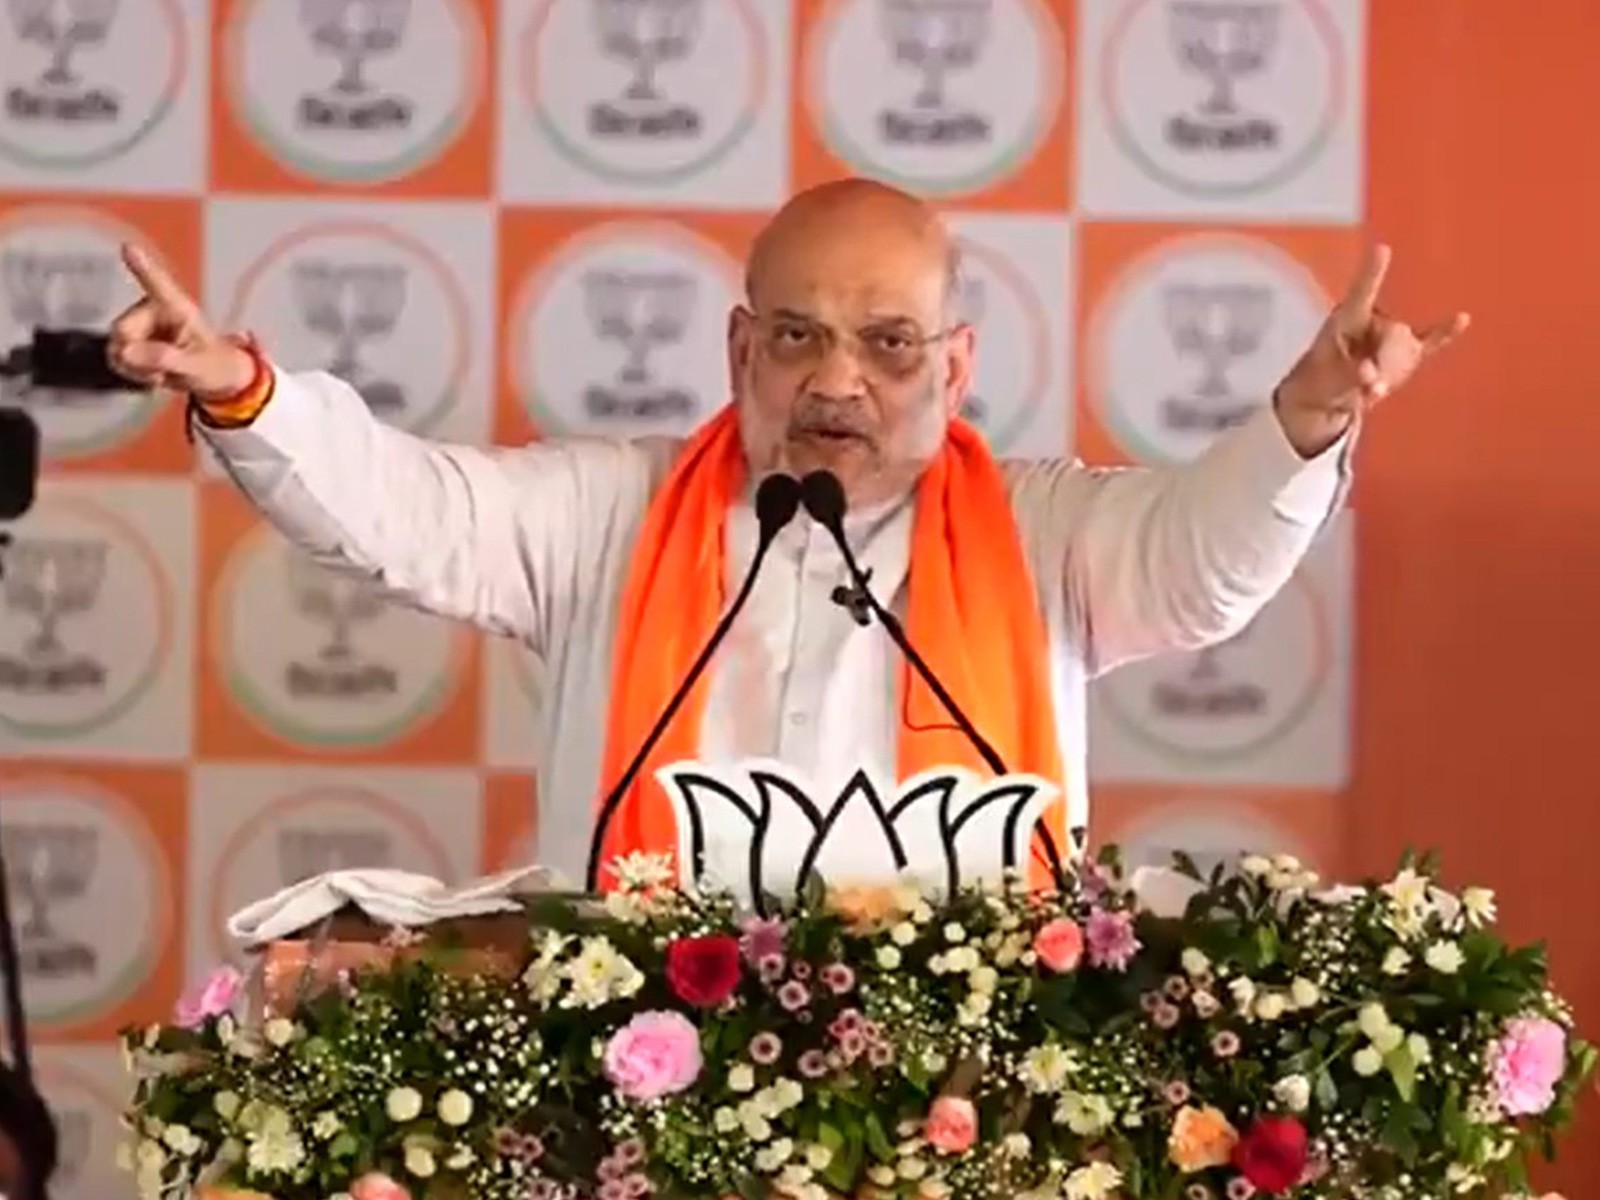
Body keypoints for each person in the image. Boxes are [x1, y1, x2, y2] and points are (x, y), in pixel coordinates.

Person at [105, 179, 1467, 890]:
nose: (837, 382)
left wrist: (1305, 413)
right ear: (739, 347)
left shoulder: (1043, 531)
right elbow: (403, 511)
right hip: (640, 1087)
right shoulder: (610, 515)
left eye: (889, 344)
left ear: (956, 364)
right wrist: (245, 392)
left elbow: (1201, 562)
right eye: (799, 337)